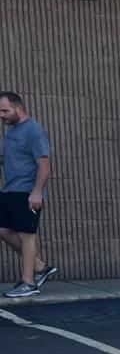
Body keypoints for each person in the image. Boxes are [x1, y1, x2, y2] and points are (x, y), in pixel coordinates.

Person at [0, 92, 57, 298]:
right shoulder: (11, 131)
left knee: (26, 236)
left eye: (5, 111)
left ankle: (29, 283)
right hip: (10, 189)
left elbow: (44, 162)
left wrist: (36, 192)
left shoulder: (34, 130)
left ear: (19, 108)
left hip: (27, 191)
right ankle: (40, 267)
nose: (2, 115)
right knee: (3, 230)